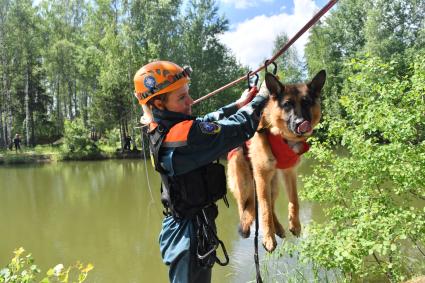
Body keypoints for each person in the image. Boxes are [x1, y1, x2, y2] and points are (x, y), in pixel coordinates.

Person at [133, 61, 269, 283]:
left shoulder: (160, 126)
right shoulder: (184, 138)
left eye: (188, 94)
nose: (191, 101)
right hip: (188, 236)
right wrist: (264, 96)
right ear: (159, 103)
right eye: (181, 98)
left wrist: (238, 104)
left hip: (188, 227)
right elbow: (239, 127)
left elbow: (205, 121)